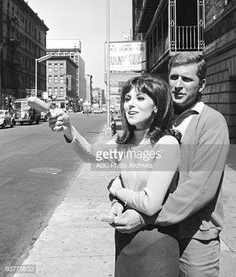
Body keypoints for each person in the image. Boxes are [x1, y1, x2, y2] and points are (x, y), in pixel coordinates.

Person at [48, 75, 181, 276]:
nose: (131, 105)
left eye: (140, 98)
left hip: (156, 242)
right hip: (125, 238)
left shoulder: (167, 144)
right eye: (127, 99)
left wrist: (118, 190)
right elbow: (91, 156)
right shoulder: (124, 143)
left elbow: (150, 204)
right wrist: (68, 128)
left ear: (157, 106)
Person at [111, 52, 230, 277]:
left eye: (187, 79)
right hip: (160, 235)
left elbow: (199, 188)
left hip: (194, 237)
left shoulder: (212, 123)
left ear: (202, 84)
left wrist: (146, 216)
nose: (177, 85)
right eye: (174, 77)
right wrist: (118, 194)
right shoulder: (162, 119)